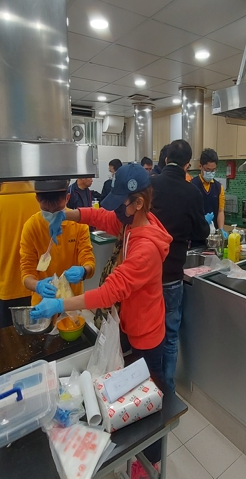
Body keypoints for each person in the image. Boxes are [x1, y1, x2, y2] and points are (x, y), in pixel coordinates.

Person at [32, 164, 171, 469]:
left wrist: (59, 305)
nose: (116, 210)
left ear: (138, 203)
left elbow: (109, 292)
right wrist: (66, 215)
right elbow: (103, 218)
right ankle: (142, 454)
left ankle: (153, 461)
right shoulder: (131, 222)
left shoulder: (146, 248)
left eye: (122, 203)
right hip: (131, 323)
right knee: (132, 396)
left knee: (149, 400)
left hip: (146, 333)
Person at [150, 139, 210, 392]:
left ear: (165, 160)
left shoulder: (150, 184)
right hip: (173, 276)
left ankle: (148, 388)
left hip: (146, 274)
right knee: (170, 335)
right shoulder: (192, 192)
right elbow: (201, 231)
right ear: (188, 164)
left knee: (147, 333)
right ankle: (168, 390)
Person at [20, 181, 95, 311]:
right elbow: (27, 273)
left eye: (57, 210)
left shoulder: (78, 225)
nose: (52, 215)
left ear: (67, 198)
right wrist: (38, 286)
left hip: (72, 303)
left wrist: (83, 271)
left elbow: (88, 261)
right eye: (46, 210)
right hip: (43, 304)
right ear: (37, 199)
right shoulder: (31, 227)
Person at [0, 183, 39, 330]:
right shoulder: (39, 198)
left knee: (10, 339)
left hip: (7, 286)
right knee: (38, 335)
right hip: (38, 285)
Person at [191, 148, 227, 238]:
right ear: (200, 166)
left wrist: (221, 229)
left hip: (213, 235)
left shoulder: (218, 187)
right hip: (196, 234)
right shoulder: (192, 185)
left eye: (213, 170)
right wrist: (202, 220)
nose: (210, 173)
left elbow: (220, 211)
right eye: (207, 170)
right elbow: (189, 212)